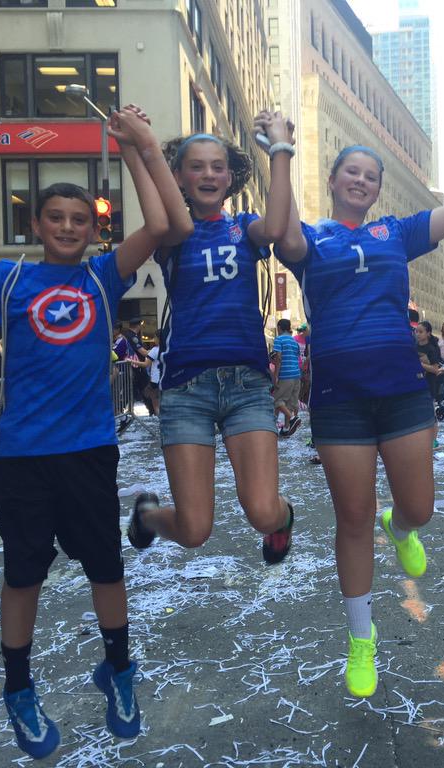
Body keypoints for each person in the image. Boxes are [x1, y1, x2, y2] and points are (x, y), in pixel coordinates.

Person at [0, 104, 178, 759]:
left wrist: (139, 146)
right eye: (55, 217)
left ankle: (120, 674)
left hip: (88, 453)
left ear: (94, 227)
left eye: (79, 219)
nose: (66, 226)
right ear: (36, 224)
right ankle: (18, 689)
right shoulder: (7, 279)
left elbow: (164, 225)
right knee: (23, 575)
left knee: (106, 568)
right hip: (22, 457)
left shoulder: (103, 275)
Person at [273, 112, 444, 699]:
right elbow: (281, 234)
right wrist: (281, 149)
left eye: (370, 176)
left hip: (401, 394)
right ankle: (361, 640)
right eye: (351, 172)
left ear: (378, 188)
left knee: (419, 508)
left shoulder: (397, 232)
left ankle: (401, 525)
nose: (360, 181)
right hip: (339, 400)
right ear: (335, 180)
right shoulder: (311, 240)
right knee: (354, 518)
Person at [127, 112, 298, 568]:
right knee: (194, 530)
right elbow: (162, 219)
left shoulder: (245, 227)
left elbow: (279, 228)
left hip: (246, 387)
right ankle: (147, 516)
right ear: (178, 177)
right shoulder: (171, 234)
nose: (208, 174)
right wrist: (140, 148)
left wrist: (279, 150)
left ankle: (283, 521)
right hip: (186, 389)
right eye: (196, 166)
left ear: (230, 175)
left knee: (263, 511)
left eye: (217, 166)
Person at [271, 318, 303, 436]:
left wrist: (276, 376)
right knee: (289, 403)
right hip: (296, 376)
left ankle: (293, 418)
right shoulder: (294, 341)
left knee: (275, 400)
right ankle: (285, 429)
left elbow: (278, 358)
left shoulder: (279, 339)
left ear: (279, 327)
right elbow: (297, 358)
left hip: (286, 375)